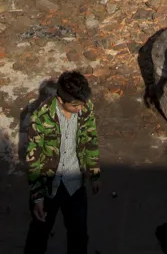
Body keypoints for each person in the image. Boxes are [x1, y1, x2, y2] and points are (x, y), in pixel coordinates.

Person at [24, 70, 101, 254]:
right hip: (49, 186)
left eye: (82, 103)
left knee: (79, 235)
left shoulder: (86, 108)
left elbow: (90, 139)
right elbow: (33, 159)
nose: (80, 108)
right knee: (39, 234)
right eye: (75, 105)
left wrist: (95, 173)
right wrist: (37, 198)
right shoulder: (41, 116)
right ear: (60, 100)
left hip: (75, 184)